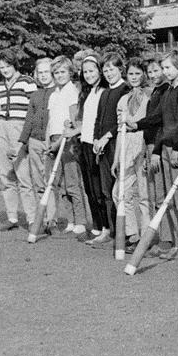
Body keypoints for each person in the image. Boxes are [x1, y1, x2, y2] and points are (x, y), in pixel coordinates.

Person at [0, 49, 38, 232]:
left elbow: (34, 111)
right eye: (1, 67)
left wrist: (27, 137)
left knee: (23, 176)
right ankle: (12, 217)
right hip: (3, 130)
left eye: (8, 66)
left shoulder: (27, 83)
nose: (5, 70)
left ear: (15, 65)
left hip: (20, 130)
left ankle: (32, 219)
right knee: (6, 176)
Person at [128, 54, 172, 255]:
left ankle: (169, 238)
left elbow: (159, 121)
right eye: (151, 71)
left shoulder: (165, 91)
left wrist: (154, 149)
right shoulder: (156, 91)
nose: (154, 75)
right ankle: (161, 236)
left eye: (157, 70)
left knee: (163, 195)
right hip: (149, 144)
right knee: (154, 194)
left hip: (157, 145)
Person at [152, 49, 178, 257]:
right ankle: (176, 241)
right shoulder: (167, 91)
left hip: (177, 149)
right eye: (164, 68)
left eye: (168, 67)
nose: (166, 72)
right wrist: (136, 124)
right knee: (169, 198)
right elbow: (159, 120)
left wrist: (177, 148)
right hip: (166, 148)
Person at [46, 56, 89, 240]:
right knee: (61, 184)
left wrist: (62, 137)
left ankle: (80, 221)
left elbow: (73, 121)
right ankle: (70, 220)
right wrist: (50, 142)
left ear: (70, 73)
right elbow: (50, 121)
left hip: (68, 140)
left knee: (72, 182)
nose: (60, 75)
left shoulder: (72, 91)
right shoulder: (54, 94)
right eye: (56, 72)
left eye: (63, 72)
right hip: (54, 138)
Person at [112, 57, 151, 253]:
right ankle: (132, 232)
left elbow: (150, 124)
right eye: (131, 74)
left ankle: (146, 236)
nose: (134, 77)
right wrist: (117, 157)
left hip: (142, 143)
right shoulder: (123, 99)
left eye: (137, 73)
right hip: (127, 144)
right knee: (119, 192)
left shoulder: (149, 96)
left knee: (143, 193)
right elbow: (121, 130)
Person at [92, 52, 130, 246]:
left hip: (117, 144)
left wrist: (107, 137)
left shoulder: (125, 89)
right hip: (102, 147)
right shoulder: (105, 92)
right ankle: (111, 230)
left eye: (111, 68)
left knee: (120, 189)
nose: (108, 73)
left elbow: (121, 122)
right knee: (106, 190)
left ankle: (125, 232)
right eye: (105, 69)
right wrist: (96, 140)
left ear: (120, 69)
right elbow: (99, 120)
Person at [17, 57, 58, 239]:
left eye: (46, 72)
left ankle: (52, 220)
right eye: (40, 73)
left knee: (51, 181)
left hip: (50, 142)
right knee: (38, 183)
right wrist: (22, 141)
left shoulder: (57, 92)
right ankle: (41, 219)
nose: (43, 76)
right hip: (34, 141)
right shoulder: (34, 95)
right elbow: (29, 120)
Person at [78, 53, 110, 244]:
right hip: (85, 143)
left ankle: (107, 228)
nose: (88, 74)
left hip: (98, 144)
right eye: (85, 72)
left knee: (100, 190)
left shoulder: (103, 91)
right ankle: (98, 227)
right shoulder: (88, 92)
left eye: (92, 70)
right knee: (90, 189)